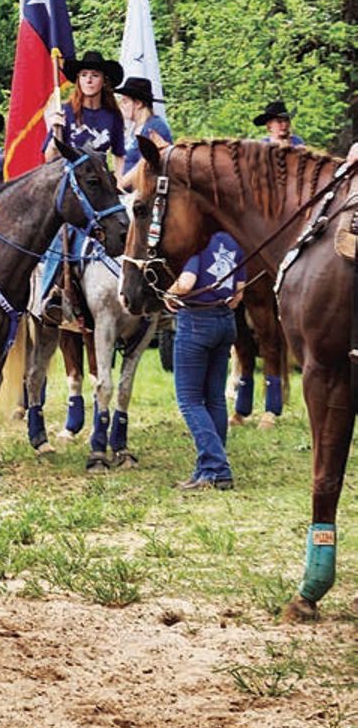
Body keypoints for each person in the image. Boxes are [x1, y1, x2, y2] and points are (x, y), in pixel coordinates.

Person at [166, 230, 246, 492]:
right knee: (215, 399)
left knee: (189, 401)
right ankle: (208, 471)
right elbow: (237, 296)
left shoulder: (195, 240)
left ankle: (218, 468)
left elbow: (187, 282)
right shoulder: (235, 241)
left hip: (196, 322)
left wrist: (169, 293)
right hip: (225, 321)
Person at [45, 50, 125, 163]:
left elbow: (119, 155)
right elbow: (49, 159)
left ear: (104, 81)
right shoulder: (65, 111)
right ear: (78, 80)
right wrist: (55, 135)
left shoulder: (113, 116)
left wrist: (119, 180)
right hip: (70, 175)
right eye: (84, 75)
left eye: (95, 75)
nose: (88, 80)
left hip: (99, 176)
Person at [115, 76, 173, 191]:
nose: (121, 105)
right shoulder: (134, 129)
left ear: (138, 104)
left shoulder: (155, 127)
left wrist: (120, 184)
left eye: (125, 101)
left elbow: (146, 164)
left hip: (144, 194)